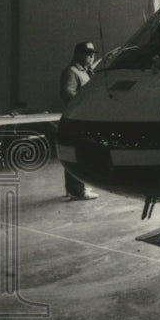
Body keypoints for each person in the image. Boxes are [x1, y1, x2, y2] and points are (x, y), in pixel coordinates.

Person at [60, 41, 99, 201]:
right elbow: (68, 93)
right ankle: (77, 190)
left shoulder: (86, 71)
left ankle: (77, 187)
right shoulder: (72, 72)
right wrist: (85, 105)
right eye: (88, 54)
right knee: (76, 154)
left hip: (85, 118)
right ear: (78, 55)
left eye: (92, 54)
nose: (91, 57)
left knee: (82, 154)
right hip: (77, 119)